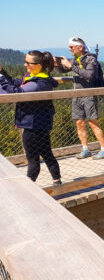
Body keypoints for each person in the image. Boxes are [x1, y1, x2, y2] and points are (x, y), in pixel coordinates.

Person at [0, 51, 62, 185]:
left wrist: (0, 78)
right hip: (40, 123)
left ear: (38, 65)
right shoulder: (35, 77)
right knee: (46, 153)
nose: (25, 64)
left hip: (32, 125)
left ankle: (29, 188)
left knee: (33, 159)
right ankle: (57, 181)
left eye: (28, 63)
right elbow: (16, 83)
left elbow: (17, 93)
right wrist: (3, 72)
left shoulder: (39, 83)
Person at [56, 36, 104, 159]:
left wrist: (71, 66)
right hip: (76, 95)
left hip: (88, 95)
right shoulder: (76, 59)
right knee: (79, 122)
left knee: (92, 123)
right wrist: (58, 65)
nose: (70, 50)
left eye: (71, 47)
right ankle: (85, 149)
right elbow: (64, 71)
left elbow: (89, 75)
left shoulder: (91, 60)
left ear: (79, 47)